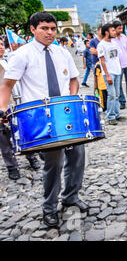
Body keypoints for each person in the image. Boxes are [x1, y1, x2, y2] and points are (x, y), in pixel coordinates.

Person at [0, 12, 88, 228]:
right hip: (41, 118)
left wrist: (73, 99)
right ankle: (49, 207)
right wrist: (2, 108)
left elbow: (74, 79)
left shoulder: (62, 52)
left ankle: (70, 197)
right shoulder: (22, 55)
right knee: (53, 163)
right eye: (44, 28)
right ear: (33, 29)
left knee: (78, 156)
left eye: (52, 28)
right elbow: (7, 84)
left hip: (66, 112)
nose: (50, 32)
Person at [0, 38, 40, 180]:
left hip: (17, 103)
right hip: (3, 106)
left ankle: (32, 156)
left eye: (0, 44)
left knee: (24, 133)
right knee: (4, 139)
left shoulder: (8, 60)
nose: (0, 47)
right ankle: (12, 166)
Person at [98, 23, 122, 125]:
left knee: (117, 95)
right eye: (112, 30)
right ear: (106, 32)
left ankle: (117, 114)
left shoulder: (114, 43)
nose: (114, 32)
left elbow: (117, 57)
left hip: (117, 71)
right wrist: (107, 75)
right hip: (109, 73)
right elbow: (102, 61)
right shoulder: (101, 45)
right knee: (111, 95)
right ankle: (110, 116)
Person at [112, 21, 127, 110]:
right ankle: (122, 101)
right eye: (119, 28)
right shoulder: (111, 39)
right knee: (119, 85)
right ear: (114, 29)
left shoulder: (124, 37)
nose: (121, 30)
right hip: (118, 65)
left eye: (121, 28)